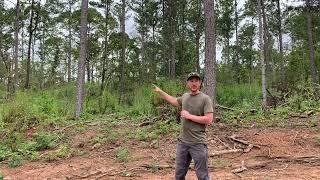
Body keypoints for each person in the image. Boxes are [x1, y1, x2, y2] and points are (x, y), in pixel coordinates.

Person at [152, 72, 214, 180]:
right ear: (187, 83)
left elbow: (208, 119)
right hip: (183, 143)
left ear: (200, 83)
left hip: (198, 143)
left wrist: (189, 116)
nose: (194, 83)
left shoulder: (205, 99)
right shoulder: (185, 97)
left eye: (196, 81)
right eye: (191, 81)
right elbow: (173, 100)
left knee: (202, 176)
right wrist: (160, 91)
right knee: (179, 175)